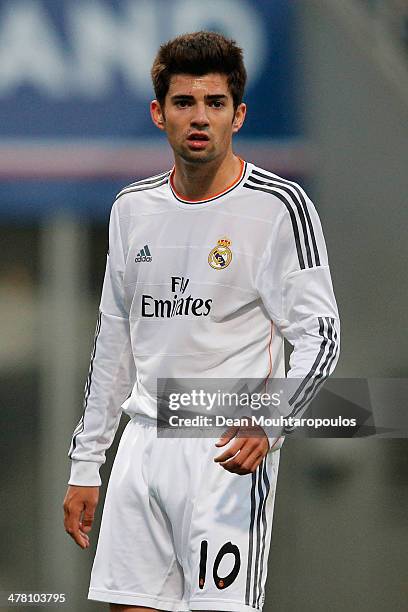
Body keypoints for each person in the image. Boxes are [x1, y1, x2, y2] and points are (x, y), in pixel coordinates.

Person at [63, 31, 340, 612]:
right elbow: (113, 343)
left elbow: (322, 335)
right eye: (184, 102)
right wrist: (88, 462)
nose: (199, 117)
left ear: (237, 116)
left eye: (214, 104)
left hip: (223, 450)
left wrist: (273, 421)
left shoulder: (280, 207)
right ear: (158, 113)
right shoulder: (131, 210)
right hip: (141, 447)